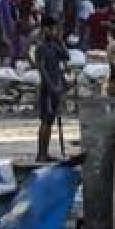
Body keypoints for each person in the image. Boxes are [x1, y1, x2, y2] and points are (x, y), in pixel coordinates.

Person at [30, 15, 68, 162]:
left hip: (56, 85)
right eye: (53, 29)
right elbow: (42, 69)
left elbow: (66, 56)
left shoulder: (54, 45)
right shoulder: (40, 47)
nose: (55, 32)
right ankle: (41, 153)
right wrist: (51, 86)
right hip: (47, 87)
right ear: (46, 29)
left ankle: (45, 152)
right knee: (45, 120)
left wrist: (60, 41)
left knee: (51, 120)